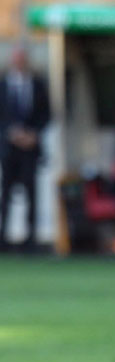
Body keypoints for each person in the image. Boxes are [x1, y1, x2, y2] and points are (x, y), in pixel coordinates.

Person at [0, 45, 50, 252]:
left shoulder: (38, 85)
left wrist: (33, 134)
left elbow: (46, 114)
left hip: (30, 148)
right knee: (6, 192)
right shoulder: (3, 85)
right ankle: (3, 237)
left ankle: (31, 239)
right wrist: (10, 132)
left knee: (31, 191)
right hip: (8, 149)